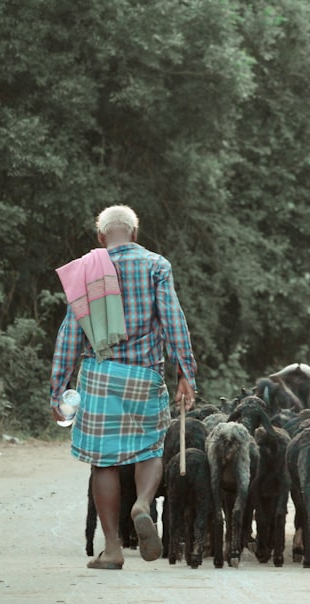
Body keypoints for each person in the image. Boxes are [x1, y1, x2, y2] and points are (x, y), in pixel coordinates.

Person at [50, 204, 197, 569]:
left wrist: (59, 386)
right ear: (135, 233)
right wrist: (185, 374)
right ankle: (142, 504)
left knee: (103, 463)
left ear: (101, 237)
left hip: (99, 376)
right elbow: (173, 320)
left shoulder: (87, 269)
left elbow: (70, 332)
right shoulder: (156, 265)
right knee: (149, 451)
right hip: (144, 376)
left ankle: (113, 548)